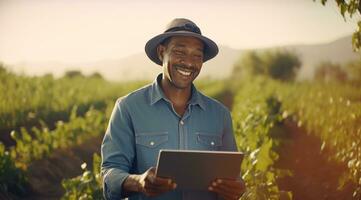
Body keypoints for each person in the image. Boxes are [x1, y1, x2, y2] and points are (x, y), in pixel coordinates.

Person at [101, 18, 245, 200]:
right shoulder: (128, 107)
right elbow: (110, 172)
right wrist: (138, 181)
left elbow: (233, 179)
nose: (189, 63)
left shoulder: (220, 114)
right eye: (180, 51)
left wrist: (236, 189)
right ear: (162, 52)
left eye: (197, 56)